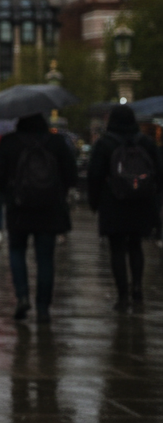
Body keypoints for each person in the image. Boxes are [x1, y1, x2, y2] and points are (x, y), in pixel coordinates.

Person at [0, 113, 77, 323]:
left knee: (17, 251)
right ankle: (43, 307)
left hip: (18, 209)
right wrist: (58, 193)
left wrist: (9, 194)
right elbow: (71, 174)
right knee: (45, 258)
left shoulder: (10, 141)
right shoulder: (55, 141)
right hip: (49, 209)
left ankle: (22, 297)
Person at [86, 104, 161, 311]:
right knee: (136, 246)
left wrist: (95, 202)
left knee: (117, 249)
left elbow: (94, 176)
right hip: (141, 201)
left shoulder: (105, 144)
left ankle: (122, 295)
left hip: (114, 202)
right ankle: (137, 288)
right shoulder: (146, 142)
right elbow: (158, 171)